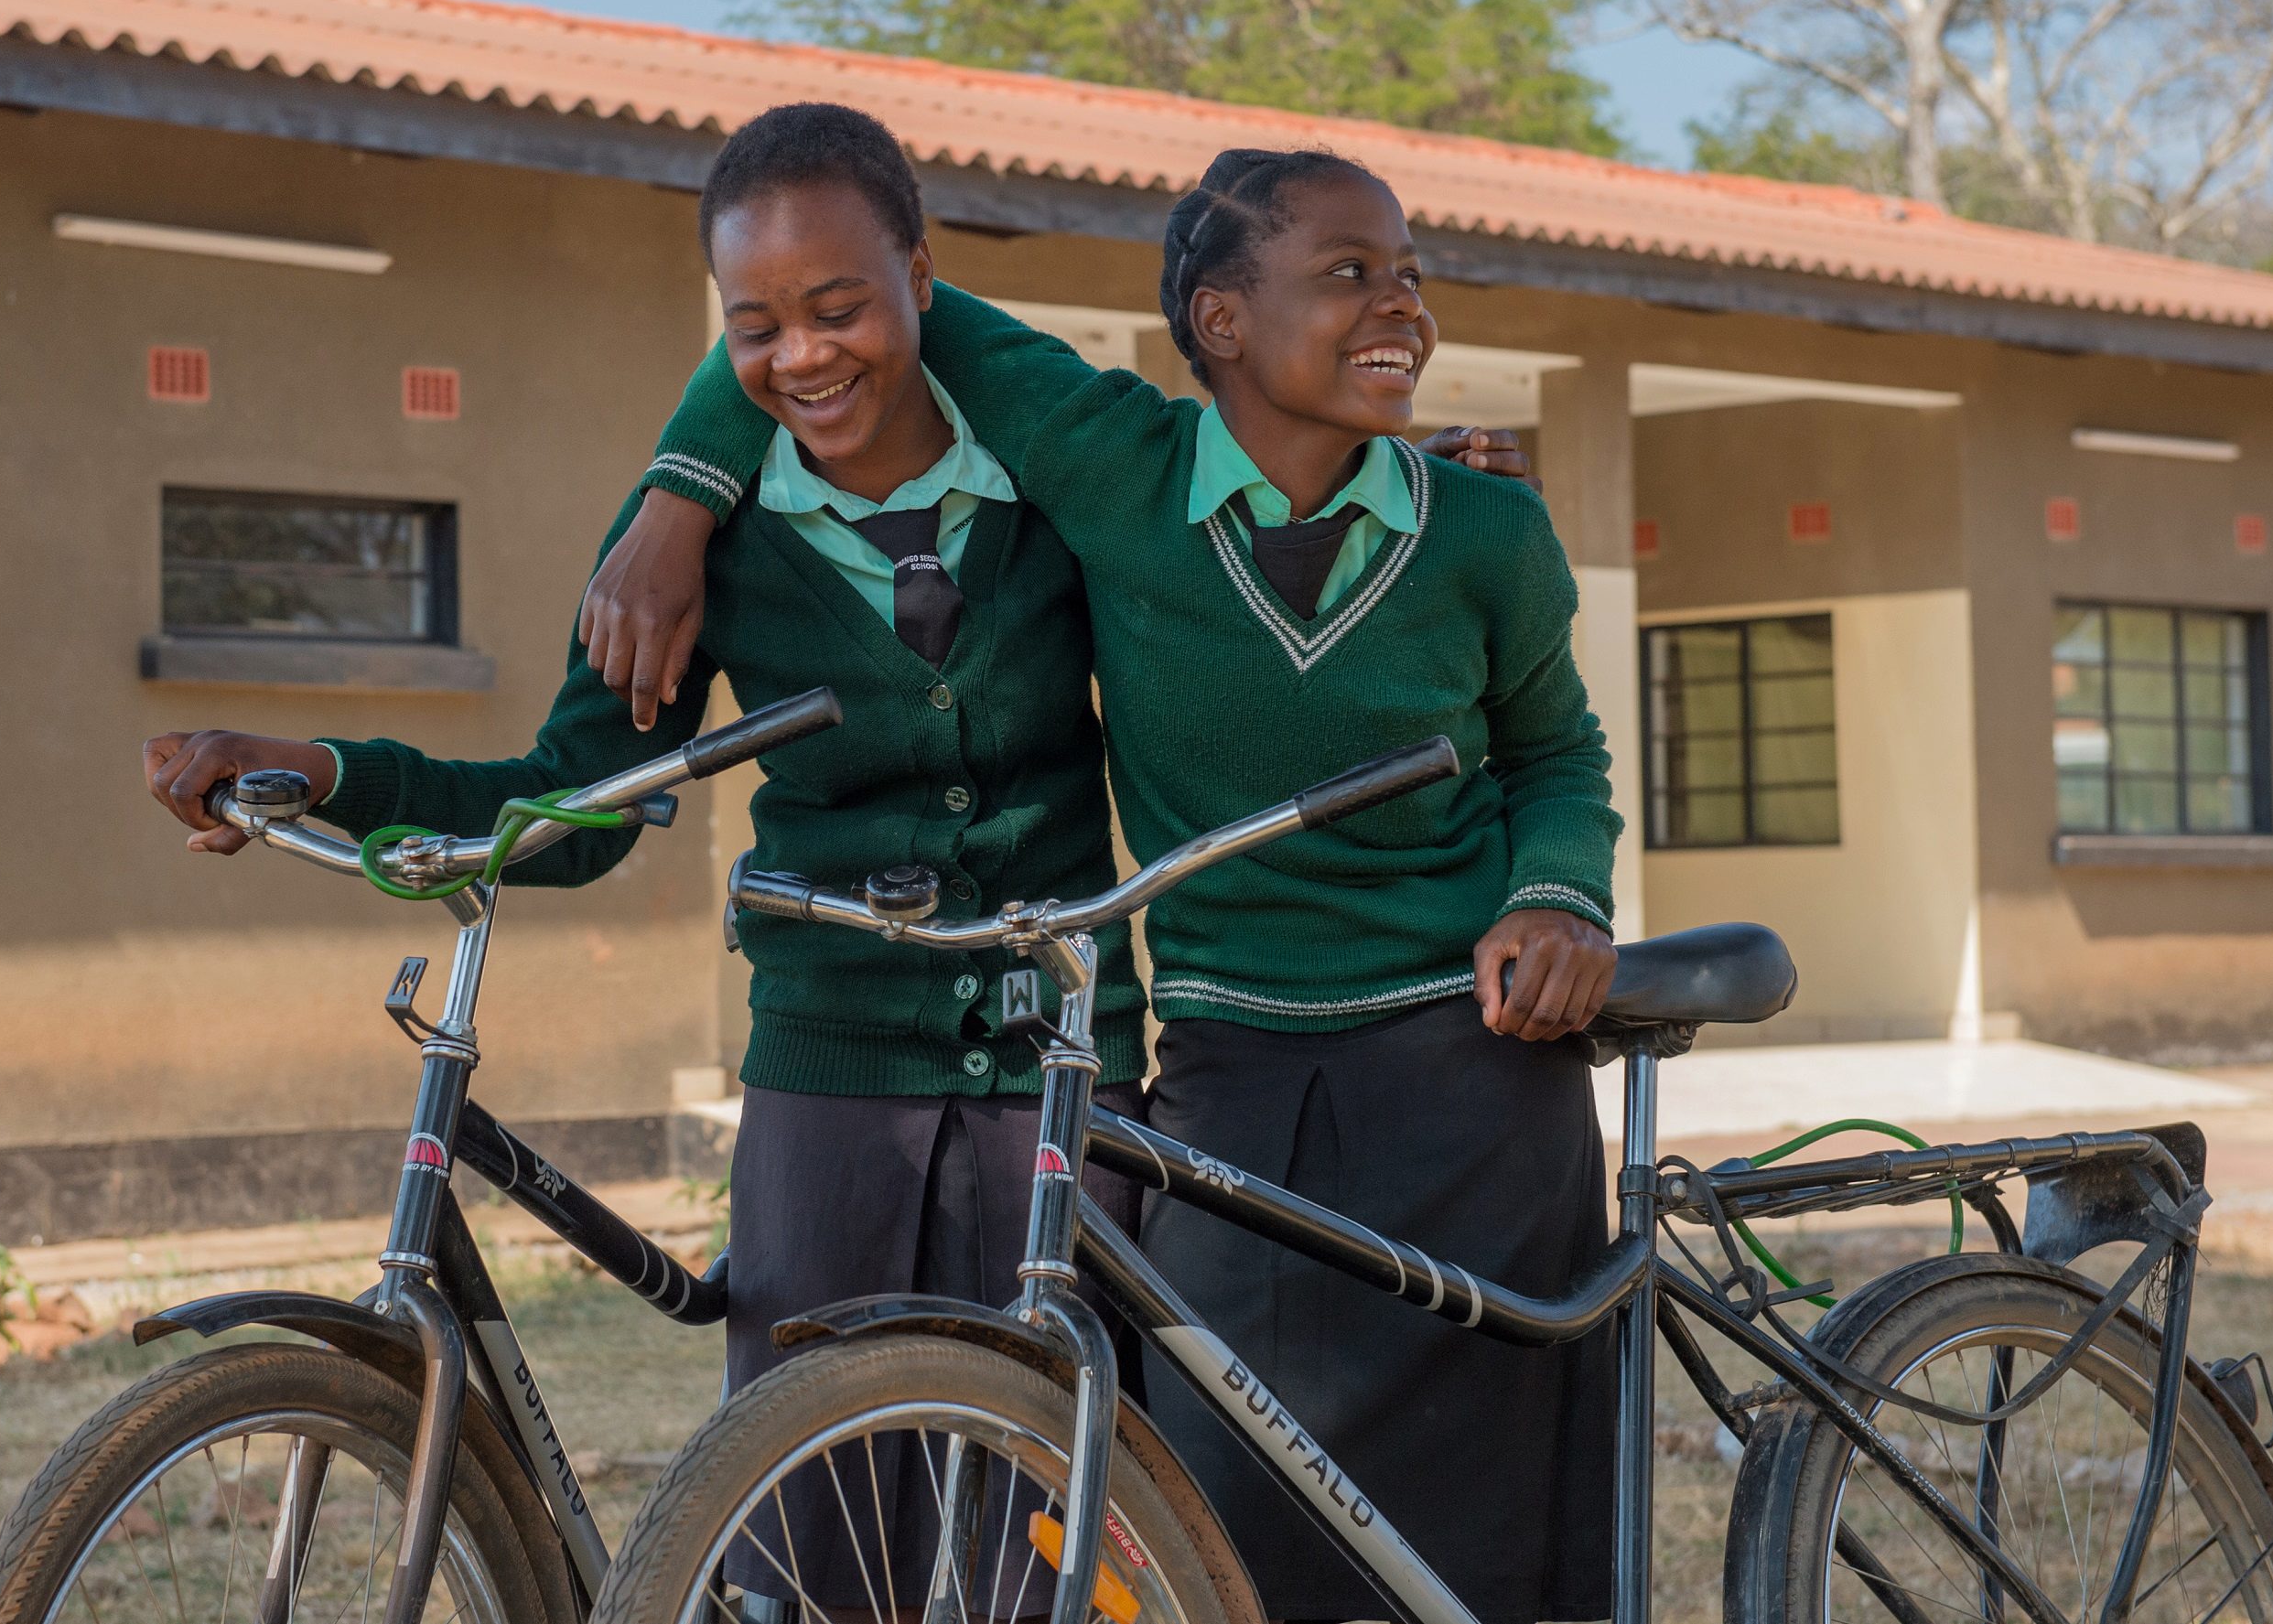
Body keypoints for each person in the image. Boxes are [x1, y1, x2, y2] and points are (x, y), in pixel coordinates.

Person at [143, 102, 1158, 1617]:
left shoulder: (1059, 477)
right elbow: (570, 796)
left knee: (1068, 1539)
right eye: (753, 325)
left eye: (838, 306)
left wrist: (1428, 493)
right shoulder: (699, 539)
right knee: (802, 1538)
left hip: (1069, 1054)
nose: (802, 355)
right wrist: (335, 772)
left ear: (921, 277)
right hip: (833, 1068)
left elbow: (1240, 518)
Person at [592, 145, 1621, 1624]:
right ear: (1217, 319)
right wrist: (678, 496)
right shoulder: (1111, 468)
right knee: (1208, 1506)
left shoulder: (1485, 530)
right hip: (1227, 1079)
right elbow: (855, 308)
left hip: (1475, 1072)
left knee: (1496, 1524)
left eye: (1409, 274)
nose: (1401, 302)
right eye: (1350, 272)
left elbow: (1556, 756)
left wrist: (1560, 899)